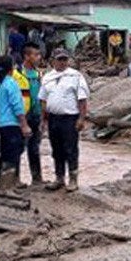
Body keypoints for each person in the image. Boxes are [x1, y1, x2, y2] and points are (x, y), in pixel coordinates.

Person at [39, 48, 90, 191]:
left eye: (65, 59)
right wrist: (43, 120)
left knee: (71, 149)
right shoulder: (47, 77)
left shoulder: (76, 76)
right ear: (53, 61)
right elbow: (43, 100)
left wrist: (81, 118)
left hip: (70, 118)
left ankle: (73, 180)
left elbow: (82, 99)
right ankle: (59, 178)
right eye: (59, 59)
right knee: (56, 149)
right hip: (53, 118)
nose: (62, 62)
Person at [0, 55, 31, 190]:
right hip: (12, 123)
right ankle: (8, 186)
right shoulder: (11, 83)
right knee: (13, 154)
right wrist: (24, 125)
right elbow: (17, 106)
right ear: (11, 68)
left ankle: (4, 182)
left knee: (5, 152)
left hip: (1, 124)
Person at [19, 41, 45, 186]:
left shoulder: (39, 75)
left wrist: (43, 117)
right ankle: (14, 179)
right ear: (27, 56)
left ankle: (37, 178)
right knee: (19, 147)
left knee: (34, 148)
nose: (39, 57)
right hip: (22, 116)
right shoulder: (17, 74)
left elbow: (42, 97)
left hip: (36, 115)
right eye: (36, 54)